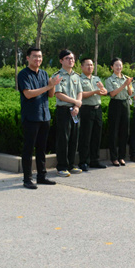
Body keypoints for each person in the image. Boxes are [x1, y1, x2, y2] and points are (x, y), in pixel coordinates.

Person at [18, 47, 62, 189]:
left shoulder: (44, 73)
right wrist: (48, 86)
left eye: (40, 57)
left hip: (44, 115)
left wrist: (53, 86)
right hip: (31, 116)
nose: (38, 59)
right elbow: (28, 94)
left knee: (42, 148)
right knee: (28, 148)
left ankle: (41, 176)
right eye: (35, 56)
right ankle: (27, 179)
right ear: (28, 58)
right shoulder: (23, 74)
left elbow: (50, 95)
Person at [53, 49, 83, 177]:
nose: (71, 60)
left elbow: (80, 92)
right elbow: (58, 94)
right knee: (63, 139)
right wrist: (75, 102)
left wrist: (77, 105)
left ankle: (71, 165)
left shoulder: (76, 76)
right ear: (61, 61)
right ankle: (62, 166)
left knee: (74, 138)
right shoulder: (57, 76)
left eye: (72, 58)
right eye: (68, 58)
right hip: (63, 110)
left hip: (75, 110)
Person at [78, 57, 108, 170]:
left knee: (96, 136)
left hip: (97, 109)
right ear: (82, 66)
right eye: (87, 65)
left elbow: (104, 92)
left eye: (91, 65)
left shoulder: (96, 78)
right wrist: (95, 91)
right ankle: (83, 162)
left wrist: (102, 90)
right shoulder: (79, 79)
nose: (90, 67)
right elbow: (81, 94)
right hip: (86, 109)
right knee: (85, 136)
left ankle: (95, 160)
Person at [105, 58, 132, 167]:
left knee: (124, 131)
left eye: (120, 65)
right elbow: (112, 94)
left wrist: (128, 85)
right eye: (116, 65)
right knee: (114, 131)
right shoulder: (109, 80)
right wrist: (124, 85)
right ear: (112, 67)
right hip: (115, 104)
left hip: (125, 104)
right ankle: (114, 157)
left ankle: (122, 156)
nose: (119, 67)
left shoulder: (126, 78)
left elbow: (130, 93)